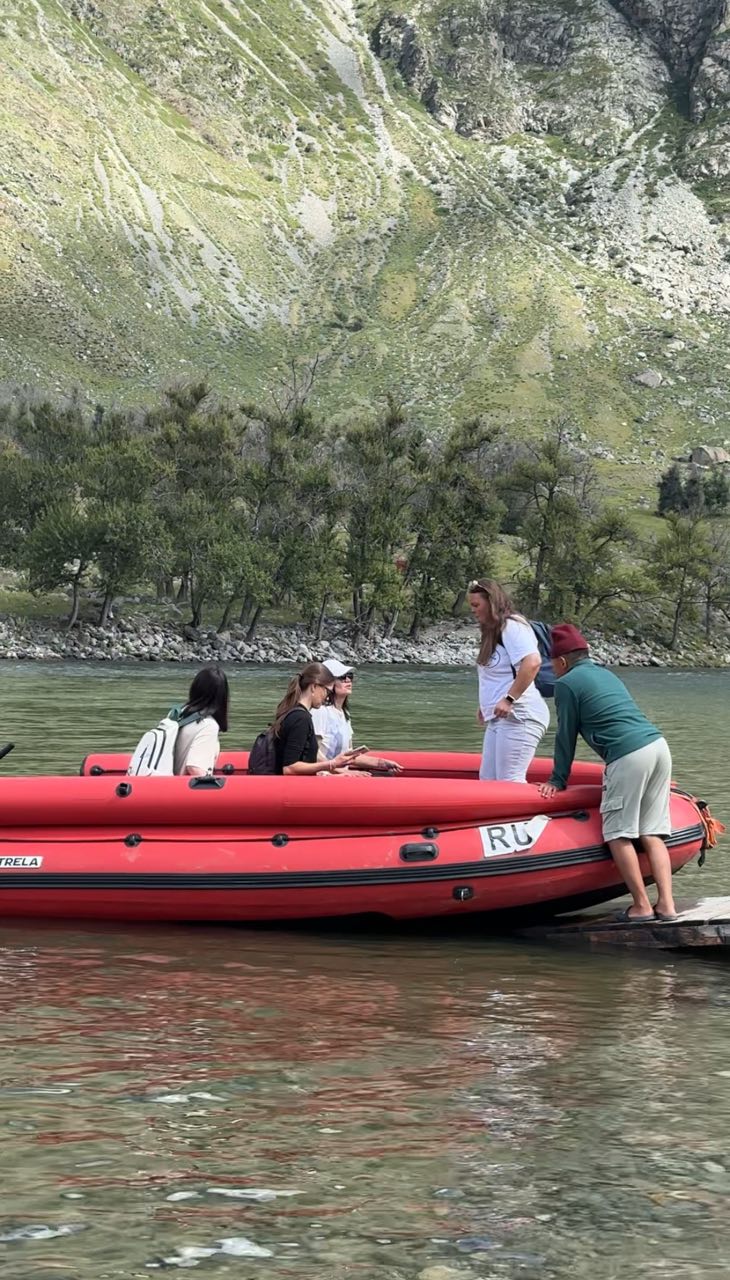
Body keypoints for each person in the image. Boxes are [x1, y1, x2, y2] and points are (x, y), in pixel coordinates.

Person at [537, 623, 677, 922]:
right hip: (658, 746)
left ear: (561, 661)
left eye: (551, 663)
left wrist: (557, 779)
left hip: (628, 755)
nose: (552, 669)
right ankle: (666, 905)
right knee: (651, 832)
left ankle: (640, 906)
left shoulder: (567, 683)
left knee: (618, 833)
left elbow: (565, 734)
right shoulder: (605, 673)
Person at [467, 579, 550, 783]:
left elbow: (532, 662)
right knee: (487, 779)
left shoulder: (512, 626)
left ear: (491, 602)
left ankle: (530, 814)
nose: (473, 611)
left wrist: (509, 699)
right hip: (499, 717)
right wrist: (485, 705)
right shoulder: (492, 632)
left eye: (476, 605)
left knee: (509, 779)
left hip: (520, 714)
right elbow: (497, 675)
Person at [311, 659, 403, 774]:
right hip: (326, 775)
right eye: (342, 677)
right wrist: (344, 773)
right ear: (329, 683)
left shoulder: (344, 714)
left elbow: (349, 756)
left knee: (389, 774)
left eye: (350, 676)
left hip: (342, 775)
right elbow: (314, 754)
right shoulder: (320, 712)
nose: (348, 680)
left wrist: (380, 762)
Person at [272, 662, 363, 776]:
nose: (326, 696)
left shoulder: (296, 713)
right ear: (314, 687)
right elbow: (289, 768)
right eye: (327, 691)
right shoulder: (301, 718)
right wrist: (332, 764)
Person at [173, 663, 229, 777]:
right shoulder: (208, 725)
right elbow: (195, 768)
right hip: (183, 790)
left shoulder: (179, 714)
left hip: (167, 782)